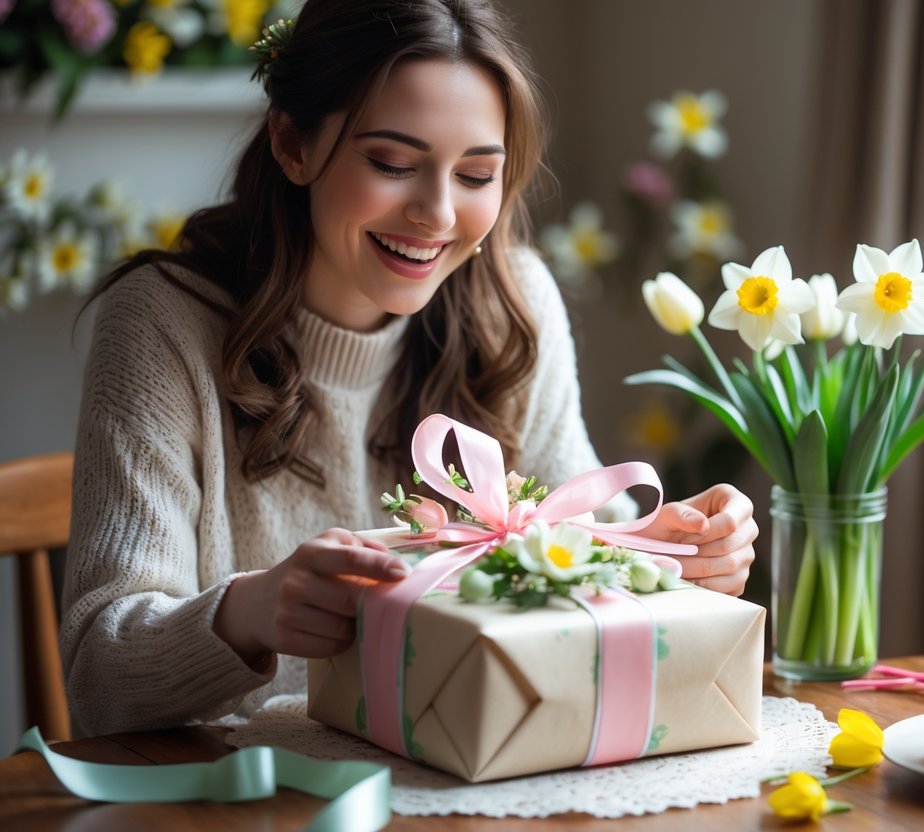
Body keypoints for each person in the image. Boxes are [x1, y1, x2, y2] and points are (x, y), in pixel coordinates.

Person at [61, 0, 757, 737]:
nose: (436, 213)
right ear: (292, 143)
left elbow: (587, 542)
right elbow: (99, 679)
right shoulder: (164, 323)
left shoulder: (512, 307)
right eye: (393, 164)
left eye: (476, 175)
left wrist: (671, 552)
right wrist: (252, 612)